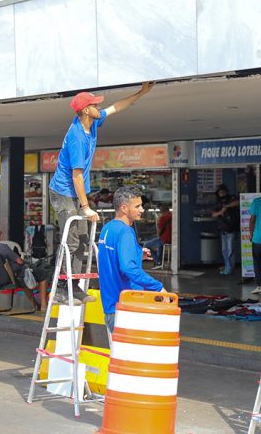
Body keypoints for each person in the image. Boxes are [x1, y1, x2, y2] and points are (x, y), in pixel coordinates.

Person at [48, 82, 154, 304]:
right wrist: (86, 207)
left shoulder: (92, 124)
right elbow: (77, 175)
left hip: (77, 192)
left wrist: (141, 93)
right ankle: (59, 288)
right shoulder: (77, 136)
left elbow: (117, 107)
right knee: (72, 239)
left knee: (84, 239)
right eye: (95, 105)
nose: (99, 107)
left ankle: (74, 286)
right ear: (86, 110)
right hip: (63, 192)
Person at [97, 186, 166, 334]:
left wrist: (137, 253)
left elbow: (112, 257)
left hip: (111, 307)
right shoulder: (126, 231)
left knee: (121, 355)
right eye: (137, 206)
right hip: (126, 307)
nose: (142, 210)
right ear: (124, 208)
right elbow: (128, 268)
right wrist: (158, 287)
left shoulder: (107, 229)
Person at [0, 222, 51, 310]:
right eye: (0, 232)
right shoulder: (2, 247)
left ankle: (35, 304)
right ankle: (44, 305)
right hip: (10, 278)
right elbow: (20, 261)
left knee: (24, 278)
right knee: (43, 274)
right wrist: (26, 262)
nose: (0, 234)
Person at [212, 185, 239, 275]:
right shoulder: (218, 202)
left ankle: (229, 268)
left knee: (230, 249)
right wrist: (221, 212)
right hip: (223, 228)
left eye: (222, 191)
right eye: (219, 192)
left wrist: (228, 206)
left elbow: (239, 202)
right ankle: (227, 266)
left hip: (231, 228)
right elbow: (213, 214)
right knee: (224, 250)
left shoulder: (231, 198)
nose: (221, 193)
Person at [143, 205, 172, 269]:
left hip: (165, 239)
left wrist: (159, 220)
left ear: (162, 211)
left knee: (147, 244)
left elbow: (159, 230)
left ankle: (158, 262)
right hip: (171, 239)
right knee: (159, 245)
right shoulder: (172, 216)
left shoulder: (163, 217)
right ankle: (159, 262)